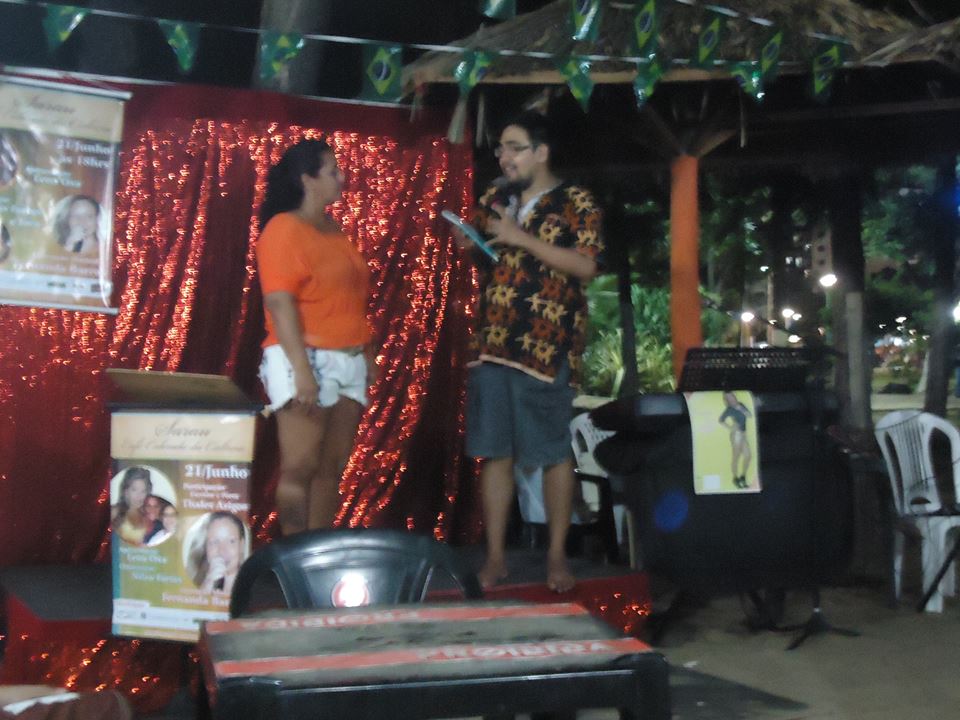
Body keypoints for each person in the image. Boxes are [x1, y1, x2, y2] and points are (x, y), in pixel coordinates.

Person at [462, 111, 604, 592]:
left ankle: (557, 556)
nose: (503, 157)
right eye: (500, 148)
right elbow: (487, 257)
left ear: (541, 153)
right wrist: (470, 240)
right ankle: (496, 557)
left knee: (551, 451)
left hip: (546, 348)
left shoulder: (575, 201)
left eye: (514, 147)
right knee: (494, 452)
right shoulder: (495, 198)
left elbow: (585, 266)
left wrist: (521, 237)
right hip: (493, 342)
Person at [256, 138, 374, 534]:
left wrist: (366, 354)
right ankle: (294, 555)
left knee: (331, 468)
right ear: (307, 180)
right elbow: (280, 303)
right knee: (300, 466)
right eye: (333, 171)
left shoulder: (332, 229)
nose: (342, 177)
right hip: (305, 356)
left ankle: (318, 552)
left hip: (348, 359)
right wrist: (302, 371)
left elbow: (349, 299)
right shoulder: (283, 228)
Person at [187, 512, 247, 595]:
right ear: (205, 546)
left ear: (241, 545)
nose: (222, 551)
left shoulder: (253, 587)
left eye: (231, 541)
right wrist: (206, 587)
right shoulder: (189, 583)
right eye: (214, 542)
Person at [111, 466, 153, 545]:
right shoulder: (115, 511)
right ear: (126, 491)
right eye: (134, 490)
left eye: (143, 491)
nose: (139, 496)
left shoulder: (149, 515)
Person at [719, 391, 753, 488]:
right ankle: (735, 478)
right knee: (736, 457)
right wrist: (730, 428)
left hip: (743, 434)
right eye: (729, 397)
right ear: (727, 400)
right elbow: (721, 420)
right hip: (736, 435)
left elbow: (749, 415)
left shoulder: (741, 405)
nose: (732, 398)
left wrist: (741, 408)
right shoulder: (729, 409)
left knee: (748, 456)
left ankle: (742, 476)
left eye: (732, 396)